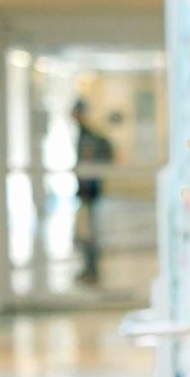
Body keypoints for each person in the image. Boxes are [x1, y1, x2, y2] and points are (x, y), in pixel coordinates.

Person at [71, 99, 114, 285]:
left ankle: (92, 271)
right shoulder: (84, 133)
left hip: (89, 193)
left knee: (89, 234)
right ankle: (89, 269)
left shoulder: (88, 136)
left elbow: (89, 164)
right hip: (86, 192)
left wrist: (87, 187)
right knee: (86, 233)